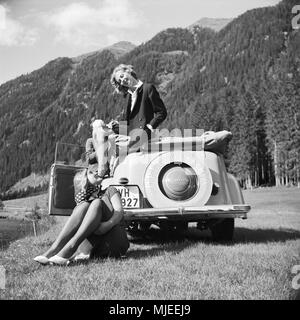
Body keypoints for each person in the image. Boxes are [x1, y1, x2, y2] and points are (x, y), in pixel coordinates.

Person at [33, 164, 129, 265]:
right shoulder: (82, 199)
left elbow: (119, 212)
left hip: (113, 240)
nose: (96, 172)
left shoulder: (110, 190)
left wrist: (107, 224)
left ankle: (70, 248)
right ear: (85, 176)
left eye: (98, 171)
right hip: (91, 247)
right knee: (83, 206)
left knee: (96, 202)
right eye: (91, 172)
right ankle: (54, 249)